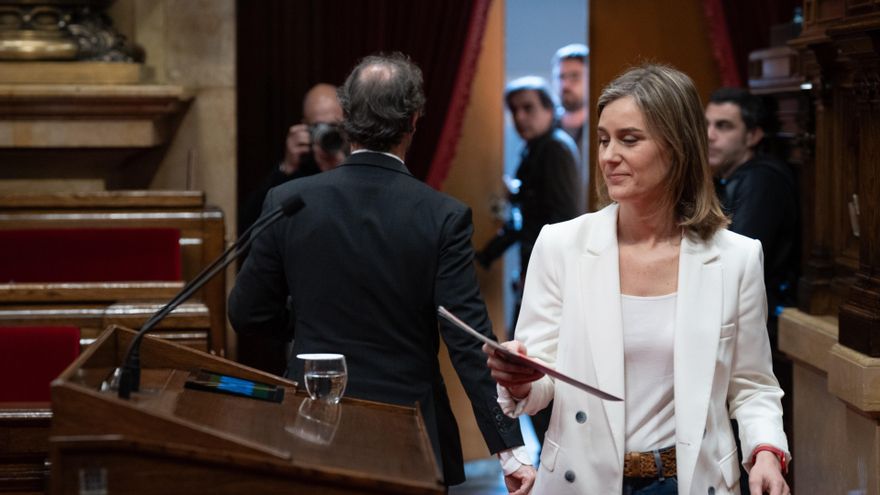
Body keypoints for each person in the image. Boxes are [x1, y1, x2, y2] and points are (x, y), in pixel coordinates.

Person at [228, 53, 535, 493]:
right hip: (412, 438)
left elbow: (247, 312)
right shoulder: (442, 216)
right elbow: (468, 341)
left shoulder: (287, 200)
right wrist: (511, 452)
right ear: (413, 121)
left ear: (347, 119)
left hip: (314, 425)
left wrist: (309, 324)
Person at [484, 64, 790, 495]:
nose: (608, 155)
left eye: (630, 139)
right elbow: (543, 384)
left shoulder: (736, 257)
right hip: (581, 480)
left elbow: (752, 385)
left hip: (690, 480)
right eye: (605, 139)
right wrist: (520, 379)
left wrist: (764, 453)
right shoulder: (560, 245)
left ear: (677, 146)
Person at [705, 87, 798, 344]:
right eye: (706, 124)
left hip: (756, 326)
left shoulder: (763, 179)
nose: (709, 135)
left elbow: (734, 263)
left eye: (723, 126)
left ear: (753, 135)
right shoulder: (724, 176)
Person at [238, 83, 347, 239]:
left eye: (333, 126)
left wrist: (344, 170)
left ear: (347, 126)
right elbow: (249, 228)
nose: (327, 134)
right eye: (318, 126)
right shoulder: (297, 167)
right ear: (304, 127)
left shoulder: (357, 160)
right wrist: (287, 168)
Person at [553, 43, 589, 159]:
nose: (565, 85)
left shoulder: (602, 127)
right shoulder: (545, 128)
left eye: (574, 76)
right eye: (561, 77)